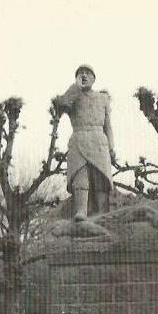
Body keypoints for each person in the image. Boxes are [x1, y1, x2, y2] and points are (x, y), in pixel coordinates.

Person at [58, 65, 116, 220]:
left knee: (100, 175)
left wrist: (111, 147)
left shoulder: (103, 98)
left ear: (93, 78)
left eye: (87, 73)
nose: (84, 75)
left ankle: (102, 212)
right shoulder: (72, 96)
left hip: (98, 139)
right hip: (79, 136)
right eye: (80, 74)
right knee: (80, 174)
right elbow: (61, 106)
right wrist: (75, 88)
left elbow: (108, 126)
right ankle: (81, 211)